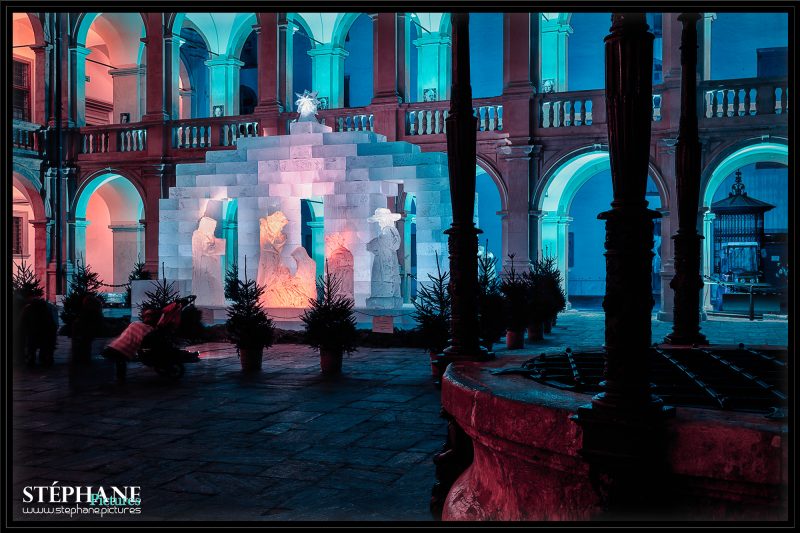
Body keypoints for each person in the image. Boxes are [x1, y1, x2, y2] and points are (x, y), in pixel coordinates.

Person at [102, 309, 160, 382]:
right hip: (125, 350)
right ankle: (120, 380)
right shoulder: (150, 330)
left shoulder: (135, 323)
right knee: (120, 361)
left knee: (118, 361)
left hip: (114, 346)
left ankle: (119, 380)